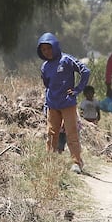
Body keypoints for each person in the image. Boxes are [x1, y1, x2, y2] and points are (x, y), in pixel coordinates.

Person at [38, 32, 90, 174]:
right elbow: (47, 86)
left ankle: (76, 163)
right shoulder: (45, 67)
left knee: (71, 134)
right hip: (52, 104)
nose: (47, 52)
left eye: (49, 48)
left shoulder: (66, 59)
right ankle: (50, 161)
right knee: (51, 133)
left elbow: (85, 71)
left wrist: (78, 89)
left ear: (55, 46)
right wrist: (46, 104)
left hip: (67, 103)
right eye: (43, 50)